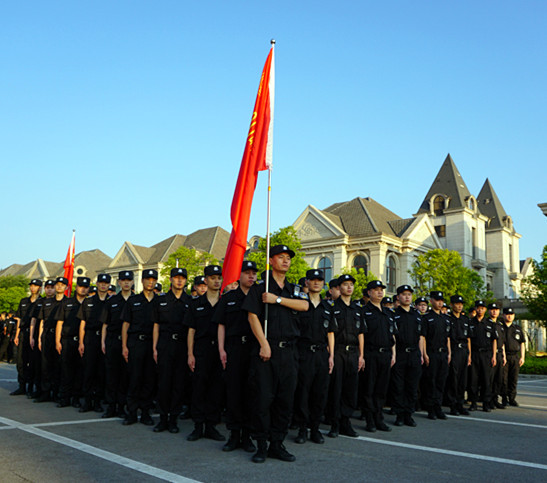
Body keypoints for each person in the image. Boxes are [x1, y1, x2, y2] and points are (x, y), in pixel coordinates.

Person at [242, 245, 309, 463]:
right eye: (281, 257)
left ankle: (277, 445)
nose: (286, 261)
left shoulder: (293, 288)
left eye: (288, 258)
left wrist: (278, 300)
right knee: (263, 399)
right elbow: (252, 317)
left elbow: (304, 306)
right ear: (271, 261)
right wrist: (263, 344)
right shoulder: (260, 288)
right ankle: (261, 445)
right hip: (267, 350)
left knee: (285, 400)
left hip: (289, 352)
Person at [214, 261, 259, 452]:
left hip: (253, 348)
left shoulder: (261, 297)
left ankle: (247, 436)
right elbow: (221, 324)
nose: (251, 276)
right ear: (239, 275)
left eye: (254, 273)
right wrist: (222, 349)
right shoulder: (228, 297)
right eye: (247, 273)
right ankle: (234, 435)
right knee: (233, 392)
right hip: (233, 348)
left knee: (251, 392)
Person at [185, 265, 225, 442]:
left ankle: (211, 426)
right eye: (213, 277)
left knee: (216, 390)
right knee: (199, 388)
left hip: (219, 351)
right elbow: (191, 331)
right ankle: (198, 426)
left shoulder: (226, 303)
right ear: (205, 280)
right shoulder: (196, 304)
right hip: (201, 350)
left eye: (219, 277)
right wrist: (190, 354)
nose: (216, 281)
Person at [293, 269, 334, 445]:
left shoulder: (327, 307)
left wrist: (331, 355)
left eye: (320, 280)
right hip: (303, 353)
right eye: (313, 280)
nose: (316, 283)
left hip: (321, 354)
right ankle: (302, 429)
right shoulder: (300, 304)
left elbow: (331, 332)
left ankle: (315, 429)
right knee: (303, 392)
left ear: (323, 284)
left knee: (320, 392)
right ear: (307, 283)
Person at [152, 267, 191, 434]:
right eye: (176, 278)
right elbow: (156, 325)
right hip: (165, 344)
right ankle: (162, 419)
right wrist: (154, 347)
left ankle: (173, 419)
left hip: (182, 345)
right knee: (164, 383)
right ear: (171, 279)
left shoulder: (190, 301)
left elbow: (191, 328)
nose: (179, 281)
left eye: (182, 278)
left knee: (178, 383)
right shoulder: (161, 300)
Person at [328, 274, 365, 438]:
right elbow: (330, 333)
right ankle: (334, 423)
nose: (349, 287)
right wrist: (331, 355)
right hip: (338, 351)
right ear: (339, 288)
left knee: (351, 387)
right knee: (337, 388)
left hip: (353, 352)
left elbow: (361, 333)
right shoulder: (332, 307)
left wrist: (361, 355)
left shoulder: (357, 309)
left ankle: (346, 421)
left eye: (351, 284)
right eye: (345, 284)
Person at [121, 269, 158, 425]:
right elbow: (125, 324)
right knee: (134, 378)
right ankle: (131, 412)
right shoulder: (133, 300)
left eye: (153, 280)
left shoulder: (160, 301)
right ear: (141, 281)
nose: (150, 282)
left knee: (149, 379)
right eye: (147, 279)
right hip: (136, 343)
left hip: (153, 344)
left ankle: (145, 412)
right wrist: (124, 346)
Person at [362, 280, 396, 432]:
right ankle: (370, 420)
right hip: (371, 353)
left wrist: (393, 354)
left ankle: (379, 418)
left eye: (381, 289)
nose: (380, 292)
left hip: (386, 354)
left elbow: (393, 336)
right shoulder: (364, 311)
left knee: (381, 389)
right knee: (369, 388)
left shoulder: (388, 313)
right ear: (369, 293)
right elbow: (361, 335)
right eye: (376, 290)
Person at [100, 270, 134, 418]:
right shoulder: (111, 301)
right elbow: (105, 324)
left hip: (130, 342)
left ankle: (122, 406)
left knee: (125, 375)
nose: (126, 283)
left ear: (132, 282)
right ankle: (111, 406)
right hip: (113, 340)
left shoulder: (136, 300)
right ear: (119, 282)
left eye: (129, 280)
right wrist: (103, 341)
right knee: (111, 374)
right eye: (123, 280)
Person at [391, 285, 424, 427]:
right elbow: (392, 336)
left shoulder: (416, 314)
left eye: (409, 295)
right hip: (400, 353)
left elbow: (421, 336)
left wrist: (421, 354)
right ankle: (399, 414)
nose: (407, 297)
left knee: (412, 386)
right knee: (399, 386)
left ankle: (408, 414)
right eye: (403, 294)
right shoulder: (393, 314)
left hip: (414, 353)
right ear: (398, 297)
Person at [77, 273, 111, 413]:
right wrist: (81, 342)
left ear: (109, 285)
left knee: (100, 372)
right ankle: (88, 401)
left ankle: (97, 401)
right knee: (89, 371)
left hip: (105, 339)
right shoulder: (88, 301)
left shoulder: (111, 302)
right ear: (97, 284)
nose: (103, 285)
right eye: (101, 282)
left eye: (106, 283)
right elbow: (82, 323)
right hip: (90, 338)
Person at [55, 277, 89, 408]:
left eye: (86, 287)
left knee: (79, 371)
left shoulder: (89, 303)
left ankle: (76, 398)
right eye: (81, 286)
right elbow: (60, 322)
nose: (83, 289)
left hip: (83, 342)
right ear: (76, 287)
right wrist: (57, 341)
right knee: (66, 370)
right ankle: (64, 398)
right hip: (67, 340)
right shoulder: (67, 303)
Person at [35, 276, 68, 403]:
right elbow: (42, 321)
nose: (59, 286)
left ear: (66, 287)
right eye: (57, 284)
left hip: (60, 337)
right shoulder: (47, 302)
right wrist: (39, 338)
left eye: (62, 285)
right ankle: (45, 393)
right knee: (45, 365)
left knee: (58, 365)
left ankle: (56, 392)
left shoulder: (68, 302)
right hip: (47, 335)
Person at [422, 291, 451, 420]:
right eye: (437, 300)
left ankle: (438, 407)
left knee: (441, 381)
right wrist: (424, 354)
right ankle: (430, 408)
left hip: (443, 353)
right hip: (431, 353)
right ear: (431, 301)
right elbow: (423, 337)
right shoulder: (427, 318)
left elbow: (448, 338)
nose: (440, 303)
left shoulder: (445, 319)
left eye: (441, 301)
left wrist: (449, 353)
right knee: (431, 381)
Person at [11, 279, 42, 396]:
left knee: (33, 362)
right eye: (31, 286)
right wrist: (17, 335)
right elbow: (19, 319)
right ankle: (22, 386)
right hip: (23, 333)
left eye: (36, 286)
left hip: (34, 334)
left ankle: (31, 387)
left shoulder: (42, 302)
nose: (33, 288)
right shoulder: (24, 301)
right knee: (20, 361)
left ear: (40, 288)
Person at [468, 300, 497, 412]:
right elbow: (469, 340)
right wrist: (469, 355)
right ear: (475, 309)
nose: (480, 310)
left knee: (486, 379)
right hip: (474, 353)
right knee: (473, 379)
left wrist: (494, 356)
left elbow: (494, 340)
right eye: (478, 308)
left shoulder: (490, 324)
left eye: (482, 308)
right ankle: (474, 402)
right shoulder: (470, 323)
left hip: (486, 354)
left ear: (485, 310)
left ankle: (486, 403)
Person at [445, 295, 471, 416]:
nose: (460, 306)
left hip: (464, 351)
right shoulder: (448, 319)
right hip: (454, 350)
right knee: (453, 379)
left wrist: (469, 354)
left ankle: (460, 403)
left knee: (462, 379)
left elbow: (468, 338)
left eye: (461, 304)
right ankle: (453, 404)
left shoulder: (465, 319)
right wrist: (449, 353)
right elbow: (448, 338)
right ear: (451, 305)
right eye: (457, 304)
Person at [29, 280, 55, 398]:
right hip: (42, 335)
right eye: (47, 287)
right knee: (40, 365)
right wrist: (33, 337)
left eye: (52, 287)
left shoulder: (60, 302)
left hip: (55, 336)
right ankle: (40, 390)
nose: (49, 290)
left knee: (54, 365)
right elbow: (35, 320)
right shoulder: (40, 302)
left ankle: (54, 391)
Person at [501, 307, 525, 407]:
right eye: (507, 314)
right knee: (504, 379)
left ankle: (512, 398)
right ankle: (504, 398)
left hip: (515, 356)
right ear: (503, 315)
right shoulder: (501, 327)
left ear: (514, 316)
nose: (509, 316)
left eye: (511, 314)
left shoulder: (517, 329)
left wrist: (522, 357)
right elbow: (500, 343)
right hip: (504, 356)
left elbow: (522, 343)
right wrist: (503, 356)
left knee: (513, 379)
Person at [488, 302, 506, 410]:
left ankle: (495, 399)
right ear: (489, 311)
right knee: (490, 378)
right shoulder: (486, 323)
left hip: (499, 353)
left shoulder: (500, 325)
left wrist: (504, 356)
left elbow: (502, 342)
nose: (494, 311)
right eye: (492, 309)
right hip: (489, 354)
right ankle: (488, 399)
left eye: (497, 309)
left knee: (498, 378)